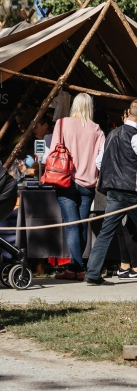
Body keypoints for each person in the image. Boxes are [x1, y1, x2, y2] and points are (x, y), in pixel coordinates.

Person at [49, 93, 104, 280]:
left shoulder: (62, 123)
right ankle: (76, 267)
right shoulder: (97, 129)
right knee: (81, 226)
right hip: (88, 183)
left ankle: (77, 267)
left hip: (64, 180)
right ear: (90, 107)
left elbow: (52, 151)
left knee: (72, 226)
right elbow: (100, 160)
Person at [85, 101, 137, 285]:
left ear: (127, 113)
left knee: (106, 232)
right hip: (132, 191)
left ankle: (92, 273)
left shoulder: (112, 134)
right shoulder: (136, 136)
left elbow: (100, 162)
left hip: (114, 190)